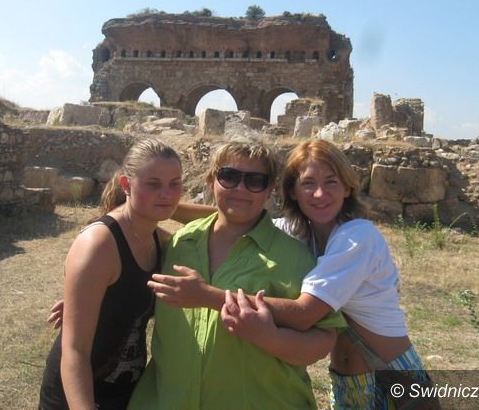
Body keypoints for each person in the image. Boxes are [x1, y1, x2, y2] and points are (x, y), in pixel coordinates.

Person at [152, 139, 432, 409]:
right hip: (346, 382)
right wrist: (160, 206)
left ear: (348, 188)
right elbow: (233, 212)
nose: (319, 194)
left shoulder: (357, 238)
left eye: (331, 182)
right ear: (293, 191)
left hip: (392, 376)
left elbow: (305, 313)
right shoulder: (299, 232)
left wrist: (207, 296)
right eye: (308, 183)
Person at [127, 140, 345, 410]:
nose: (240, 188)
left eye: (255, 181)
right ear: (211, 181)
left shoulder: (295, 258)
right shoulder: (180, 242)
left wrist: (268, 336)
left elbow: (323, 341)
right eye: (229, 176)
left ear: (270, 190)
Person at [39, 139, 183, 410]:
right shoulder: (100, 244)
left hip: (126, 392)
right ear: (126, 184)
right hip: (77, 394)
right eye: (153, 184)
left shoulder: (156, 237)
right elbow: (75, 351)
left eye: (175, 183)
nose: (166, 193)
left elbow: (224, 219)